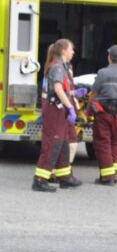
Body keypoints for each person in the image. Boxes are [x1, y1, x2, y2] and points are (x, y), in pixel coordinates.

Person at [32, 39, 83, 192]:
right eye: (71, 49)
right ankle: (40, 180)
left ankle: (65, 177)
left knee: (63, 144)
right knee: (52, 144)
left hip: (58, 110)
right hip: (55, 110)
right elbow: (58, 89)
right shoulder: (57, 68)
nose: (73, 52)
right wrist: (70, 107)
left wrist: (74, 93)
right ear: (63, 51)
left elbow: (61, 90)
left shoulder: (61, 67)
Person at [90, 45, 117, 185]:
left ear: (109, 57)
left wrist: (89, 107)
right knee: (115, 142)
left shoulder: (102, 73)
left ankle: (107, 176)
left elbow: (93, 93)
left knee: (103, 142)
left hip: (103, 113)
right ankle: (114, 174)